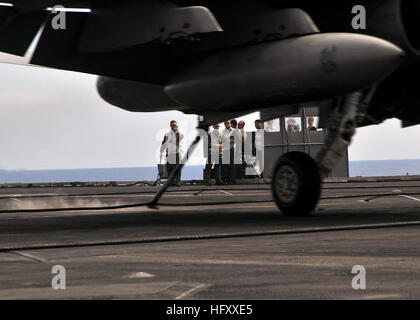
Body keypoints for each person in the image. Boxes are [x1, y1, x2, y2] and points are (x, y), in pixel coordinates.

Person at [160, 120, 184, 186]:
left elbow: (180, 138)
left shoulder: (179, 134)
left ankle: (178, 181)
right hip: (169, 153)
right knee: (169, 168)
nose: (173, 126)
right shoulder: (167, 134)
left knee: (177, 168)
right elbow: (163, 143)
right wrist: (161, 151)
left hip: (177, 153)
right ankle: (171, 182)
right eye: (172, 125)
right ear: (170, 126)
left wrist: (177, 131)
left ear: (176, 126)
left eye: (174, 125)